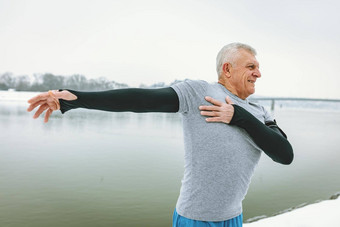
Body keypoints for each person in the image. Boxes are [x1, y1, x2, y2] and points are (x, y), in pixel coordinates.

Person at [27, 42, 293, 227]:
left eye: (257, 67)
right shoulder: (199, 92)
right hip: (195, 218)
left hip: (233, 217)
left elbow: (284, 154)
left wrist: (239, 116)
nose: (258, 73)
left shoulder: (260, 113)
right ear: (227, 69)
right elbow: (140, 100)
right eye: (251, 67)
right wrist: (75, 99)